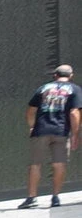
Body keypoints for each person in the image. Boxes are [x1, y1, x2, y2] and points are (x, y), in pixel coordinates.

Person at [22, 65, 80, 208]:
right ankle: (55, 197)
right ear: (71, 76)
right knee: (59, 163)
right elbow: (74, 113)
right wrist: (75, 134)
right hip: (61, 131)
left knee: (35, 164)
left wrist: (31, 126)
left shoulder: (43, 88)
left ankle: (31, 198)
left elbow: (30, 111)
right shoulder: (75, 89)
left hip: (41, 130)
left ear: (55, 75)